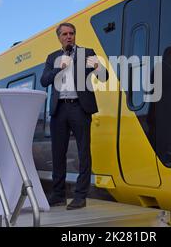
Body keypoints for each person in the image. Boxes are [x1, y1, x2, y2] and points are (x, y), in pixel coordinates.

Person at [41, 22, 107, 210]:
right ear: (59, 38)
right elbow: (44, 80)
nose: (69, 36)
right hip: (59, 110)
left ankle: (80, 196)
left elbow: (104, 77)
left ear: (75, 35)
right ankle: (59, 195)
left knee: (83, 152)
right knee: (58, 153)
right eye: (65, 34)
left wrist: (98, 67)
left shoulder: (86, 53)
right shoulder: (53, 57)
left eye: (72, 33)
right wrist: (58, 69)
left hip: (79, 108)